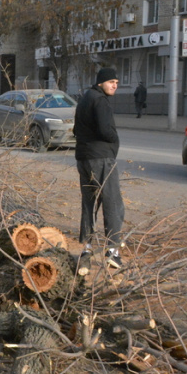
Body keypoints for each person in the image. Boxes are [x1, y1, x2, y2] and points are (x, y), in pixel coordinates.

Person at [74, 67, 124, 269]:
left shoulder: (85, 98)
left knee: (89, 204)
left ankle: (86, 250)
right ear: (101, 83)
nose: (115, 85)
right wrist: (114, 138)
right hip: (101, 159)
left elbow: (76, 129)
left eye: (117, 83)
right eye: (111, 82)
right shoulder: (100, 100)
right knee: (113, 203)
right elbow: (105, 130)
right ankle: (113, 251)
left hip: (83, 158)